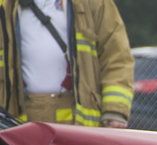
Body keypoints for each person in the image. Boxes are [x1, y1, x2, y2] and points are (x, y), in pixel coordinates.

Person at [0, 0, 134, 128]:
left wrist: (115, 110)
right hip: (20, 120)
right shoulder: (5, 6)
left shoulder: (94, 3)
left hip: (79, 123)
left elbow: (117, 57)